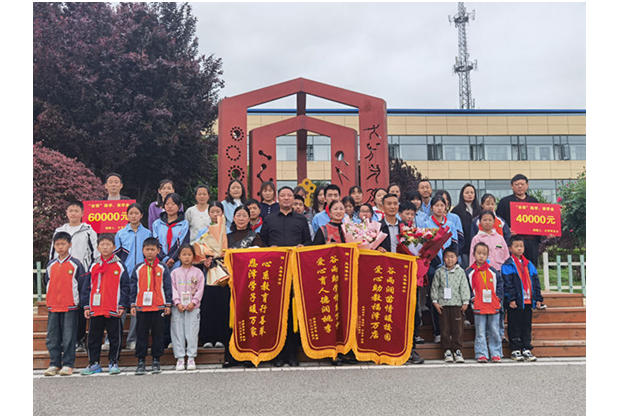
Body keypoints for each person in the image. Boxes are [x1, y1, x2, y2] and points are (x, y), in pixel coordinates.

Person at [260, 186, 312, 367]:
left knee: (293, 312)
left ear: (293, 198)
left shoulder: (301, 219)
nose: (286, 198)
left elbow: (308, 241)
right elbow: (262, 241)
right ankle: (278, 354)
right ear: (278, 198)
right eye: (283, 195)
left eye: (289, 195)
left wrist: (303, 247)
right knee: (276, 312)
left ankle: (292, 354)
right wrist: (269, 249)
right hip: (275, 272)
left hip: (294, 272)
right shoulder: (269, 219)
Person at [376, 193, 424, 364]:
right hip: (385, 275)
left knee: (410, 312)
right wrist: (375, 249)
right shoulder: (376, 228)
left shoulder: (407, 227)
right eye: (388, 203)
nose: (392, 206)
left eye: (395, 203)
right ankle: (386, 349)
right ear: (382, 206)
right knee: (387, 311)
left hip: (405, 275)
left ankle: (410, 349)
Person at [49, 201, 99, 353]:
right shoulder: (59, 231)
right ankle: (62, 341)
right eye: (71, 210)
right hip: (62, 274)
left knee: (81, 305)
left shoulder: (88, 231)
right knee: (63, 307)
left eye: (76, 211)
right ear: (66, 213)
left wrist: (92, 272)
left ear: (82, 213)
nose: (73, 213)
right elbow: (52, 254)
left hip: (82, 273)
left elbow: (95, 254)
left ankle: (79, 339)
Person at [220, 206, 265, 368]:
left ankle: (249, 355)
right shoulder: (226, 237)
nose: (241, 218)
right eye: (238, 215)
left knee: (249, 317)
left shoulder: (255, 237)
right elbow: (219, 257)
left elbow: (259, 257)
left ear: (249, 218)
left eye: (244, 215)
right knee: (230, 319)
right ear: (234, 218)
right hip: (230, 283)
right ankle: (230, 356)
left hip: (248, 284)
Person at [80, 234, 130, 375]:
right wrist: (86, 305)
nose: (105, 247)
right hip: (96, 309)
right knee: (93, 337)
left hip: (113, 308)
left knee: (115, 337)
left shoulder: (119, 265)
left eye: (108, 244)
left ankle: (113, 361)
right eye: (102, 245)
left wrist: (122, 305)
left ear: (114, 247)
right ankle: (94, 363)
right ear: (98, 248)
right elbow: (86, 287)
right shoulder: (94, 265)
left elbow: (125, 287)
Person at [43, 232, 86, 376]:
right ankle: (54, 363)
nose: (60, 247)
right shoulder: (51, 265)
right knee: (52, 337)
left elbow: (82, 285)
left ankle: (68, 364)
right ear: (54, 246)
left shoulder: (76, 264)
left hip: (70, 306)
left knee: (69, 336)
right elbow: (47, 282)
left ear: (70, 245)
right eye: (57, 244)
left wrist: (80, 302)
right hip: (53, 306)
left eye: (63, 244)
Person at [419, 194, 460, 343]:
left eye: (442, 205)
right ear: (431, 208)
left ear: (446, 207)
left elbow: (455, 244)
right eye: (436, 205)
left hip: (448, 265)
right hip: (432, 265)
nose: (439, 208)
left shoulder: (451, 224)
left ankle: (451, 331)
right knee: (435, 298)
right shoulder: (426, 224)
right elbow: (423, 245)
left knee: (450, 298)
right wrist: (434, 259)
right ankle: (437, 332)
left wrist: (451, 260)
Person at [130, 237, 173, 374]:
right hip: (142, 307)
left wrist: (168, 304)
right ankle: (141, 360)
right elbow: (133, 287)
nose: (149, 252)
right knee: (141, 334)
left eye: (152, 249)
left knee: (158, 334)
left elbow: (167, 287)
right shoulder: (138, 268)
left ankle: (156, 360)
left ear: (158, 251)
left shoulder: (163, 268)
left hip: (159, 306)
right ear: (142, 250)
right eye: (147, 249)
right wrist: (132, 304)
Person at [113, 202, 152, 350]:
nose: (134, 216)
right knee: (120, 307)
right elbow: (117, 256)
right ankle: (113, 340)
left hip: (142, 275)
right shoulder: (120, 234)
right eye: (131, 213)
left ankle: (132, 340)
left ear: (141, 215)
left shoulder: (147, 233)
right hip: (124, 275)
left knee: (137, 309)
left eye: (136, 213)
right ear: (127, 216)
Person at [502, 235, 544, 362]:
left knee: (526, 325)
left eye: (521, 246)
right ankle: (515, 349)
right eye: (516, 246)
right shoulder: (507, 265)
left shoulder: (529, 264)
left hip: (528, 300)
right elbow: (507, 285)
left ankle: (526, 347)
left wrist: (538, 298)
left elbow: (536, 282)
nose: (519, 249)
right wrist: (511, 299)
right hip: (516, 301)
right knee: (514, 325)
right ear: (510, 248)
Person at [430, 247, 470, 363]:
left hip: (457, 305)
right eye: (447, 257)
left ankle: (457, 350)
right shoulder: (439, 272)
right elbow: (435, 287)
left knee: (458, 329)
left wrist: (465, 301)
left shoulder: (460, 272)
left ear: (457, 258)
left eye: (452, 257)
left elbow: (464, 287)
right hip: (443, 305)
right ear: (443, 258)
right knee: (445, 329)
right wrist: (435, 301)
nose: (450, 259)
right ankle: (447, 350)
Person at [466, 242, 504, 363]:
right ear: (474, 254)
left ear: (488, 255)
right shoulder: (469, 272)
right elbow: (467, 288)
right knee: (480, 332)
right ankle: (481, 353)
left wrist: (498, 298)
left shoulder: (493, 271)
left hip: (493, 305)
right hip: (478, 306)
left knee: (494, 330)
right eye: (479, 253)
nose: (481, 256)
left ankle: (496, 353)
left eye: (484, 254)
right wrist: (472, 299)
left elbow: (500, 286)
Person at [198, 202, 228, 350]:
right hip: (208, 273)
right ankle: (207, 339)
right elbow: (197, 250)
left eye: (218, 212)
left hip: (224, 273)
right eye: (213, 212)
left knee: (222, 307)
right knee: (208, 307)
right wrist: (204, 260)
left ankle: (221, 338)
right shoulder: (203, 232)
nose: (215, 215)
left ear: (223, 213)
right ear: (209, 214)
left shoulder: (228, 231)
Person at [171, 244, 205, 371]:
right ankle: (180, 358)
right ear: (179, 257)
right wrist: (177, 302)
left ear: (193, 256)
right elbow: (173, 289)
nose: (186, 257)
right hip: (178, 307)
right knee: (177, 332)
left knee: (192, 332)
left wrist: (194, 302)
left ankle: (191, 357)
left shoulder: (198, 272)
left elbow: (200, 289)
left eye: (189, 254)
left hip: (193, 307)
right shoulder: (174, 273)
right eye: (184, 254)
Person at [496, 174, 541, 268]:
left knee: (531, 267)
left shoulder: (534, 201)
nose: (520, 186)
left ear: (527, 185)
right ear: (512, 186)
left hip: (531, 241)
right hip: (514, 240)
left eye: (522, 184)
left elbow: (540, 220)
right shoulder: (505, 202)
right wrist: (507, 230)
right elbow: (499, 221)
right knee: (515, 267)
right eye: (517, 184)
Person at [151, 193, 190, 271]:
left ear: (179, 206)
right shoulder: (157, 224)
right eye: (167, 204)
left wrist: (172, 258)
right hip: (160, 261)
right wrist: (164, 258)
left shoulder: (184, 224)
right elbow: (156, 242)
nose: (169, 206)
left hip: (178, 262)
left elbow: (182, 243)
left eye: (173, 204)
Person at [450, 183, 482, 268]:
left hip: (478, 246)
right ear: (462, 194)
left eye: (472, 192)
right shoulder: (456, 211)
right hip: (464, 248)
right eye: (467, 193)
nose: (469, 195)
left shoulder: (480, 210)